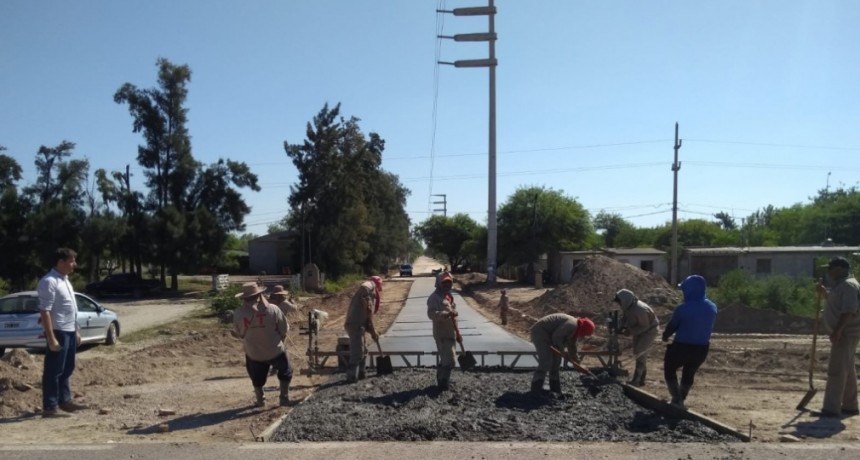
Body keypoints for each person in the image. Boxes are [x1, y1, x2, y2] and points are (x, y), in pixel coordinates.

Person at [38, 248, 88, 418]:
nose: (75, 264)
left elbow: (70, 309)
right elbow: (45, 311)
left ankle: (64, 401)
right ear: (61, 262)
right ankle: (50, 407)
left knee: (67, 368)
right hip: (58, 331)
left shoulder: (65, 280)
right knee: (53, 370)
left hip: (70, 331)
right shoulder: (49, 281)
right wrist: (51, 338)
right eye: (72, 261)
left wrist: (76, 331)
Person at [232, 282, 292, 407]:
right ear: (260, 295)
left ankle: (260, 400)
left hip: (254, 353)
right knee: (285, 371)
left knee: (256, 377)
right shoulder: (273, 309)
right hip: (275, 350)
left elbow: (238, 334)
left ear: (244, 298)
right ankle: (284, 398)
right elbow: (284, 329)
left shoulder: (238, 313)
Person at [662, 274, 717, 409]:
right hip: (702, 350)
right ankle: (682, 398)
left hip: (681, 347)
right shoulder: (712, 307)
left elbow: (672, 326)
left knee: (670, 368)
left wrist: (665, 336)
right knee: (689, 373)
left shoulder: (683, 309)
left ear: (690, 290)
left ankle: (676, 398)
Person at [817, 256, 860, 417]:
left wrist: (837, 331)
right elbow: (837, 303)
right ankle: (850, 405)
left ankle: (831, 408)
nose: (829, 272)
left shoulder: (848, 285)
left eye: (831, 268)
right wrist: (825, 293)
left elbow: (849, 311)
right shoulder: (843, 285)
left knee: (836, 371)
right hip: (847, 333)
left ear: (840, 269)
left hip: (846, 333)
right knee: (847, 370)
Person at [529, 313, 596, 393]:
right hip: (541, 332)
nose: (583, 336)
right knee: (546, 361)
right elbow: (556, 337)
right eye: (585, 334)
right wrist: (563, 352)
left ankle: (555, 390)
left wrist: (578, 364)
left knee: (556, 362)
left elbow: (572, 348)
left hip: (550, 335)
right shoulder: (572, 325)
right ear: (583, 329)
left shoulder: (575, 331)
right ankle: (536, 390)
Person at [614, 289, 660, 387]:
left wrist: (630, 331)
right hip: (639, 328)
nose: (619, 304)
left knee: (640, 351)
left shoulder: (639, 309)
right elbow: (625, 317)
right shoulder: (628, 306)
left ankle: (637, 379)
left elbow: (645, 326)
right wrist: (621, 326)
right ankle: (641, 378)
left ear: (625, 300)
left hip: (649, 330)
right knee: (638, 352)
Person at [343, 276, 382, 382]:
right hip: (355, 325)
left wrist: (373, 332)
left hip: (360, 325)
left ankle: (361, 373)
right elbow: (368, 310)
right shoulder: (367, 288)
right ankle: (351, 377)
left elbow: (367, 318)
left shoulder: (369, 292)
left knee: (364, 351)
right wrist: (373, 330)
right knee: (357, 352)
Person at [427, 272, 458, 390]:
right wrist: (444, 314)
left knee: (446, 358)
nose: (447, 285)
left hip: (451, 332)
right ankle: (443, 383)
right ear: (439, 283)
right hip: (442, 334)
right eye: (444, 282)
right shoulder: (434, 298)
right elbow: (431, 314)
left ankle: (443, 380)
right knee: (450, 360)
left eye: (449, 282)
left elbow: (453, 315)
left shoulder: (448, 296)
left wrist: (458, 333)